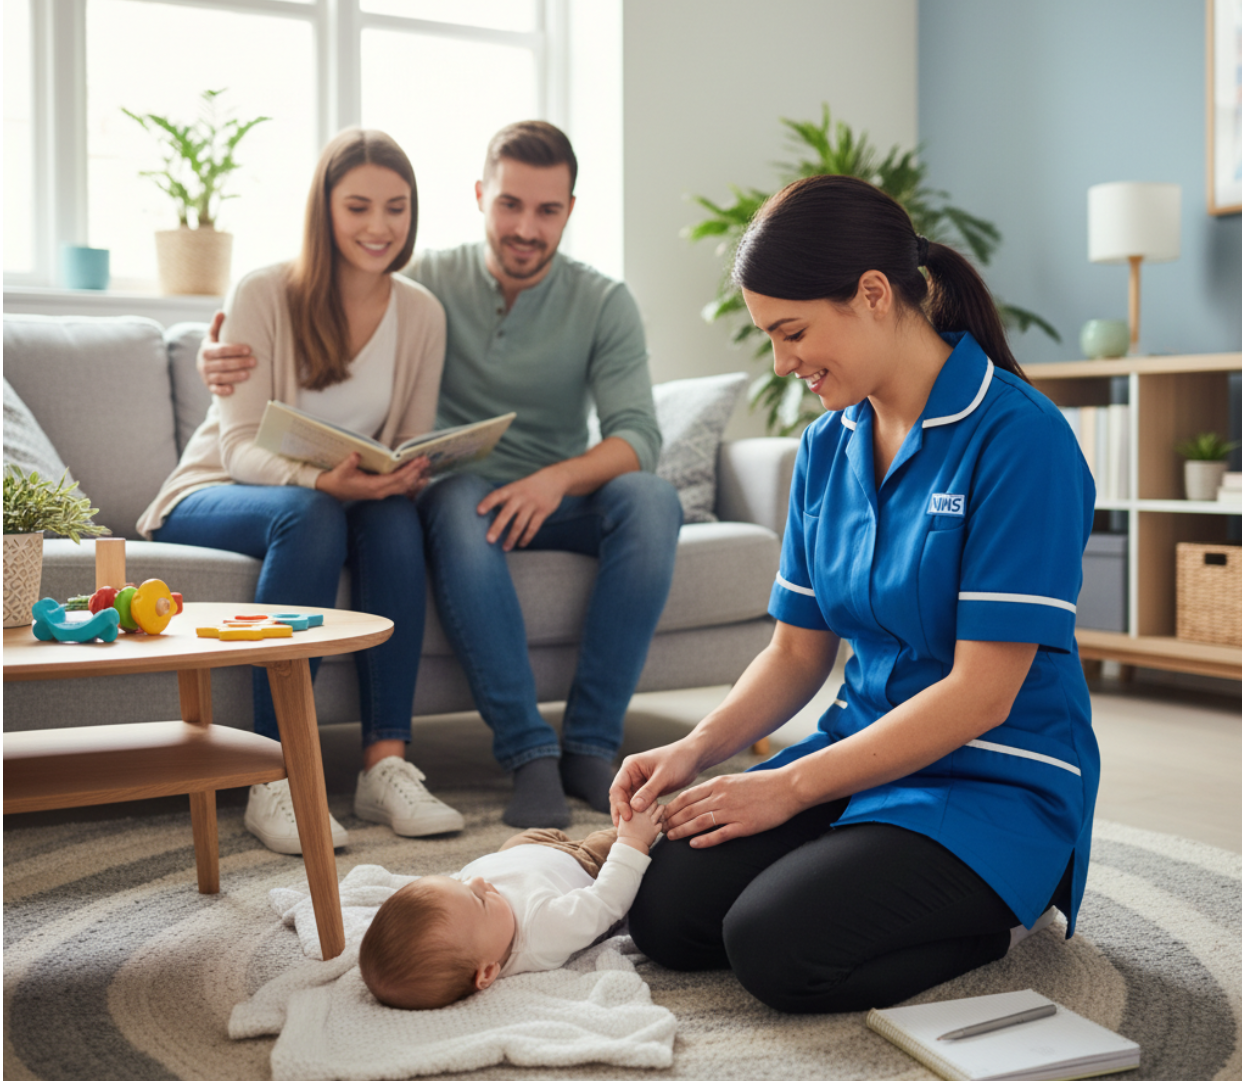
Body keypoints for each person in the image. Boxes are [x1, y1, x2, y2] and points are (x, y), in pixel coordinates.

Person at [609, 174, 1100, 1014]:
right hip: (862, 753)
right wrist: (696, 749)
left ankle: (1000, 915)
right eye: (768, 335)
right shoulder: (826, 447)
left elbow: (983, 694)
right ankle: (859, 865)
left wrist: (789, 787)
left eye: (792, 331)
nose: (781, 361)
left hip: (993, 779)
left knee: (775, 949)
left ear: (874, 294)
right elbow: (798, 651)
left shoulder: (1021, 440)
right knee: (666, 913)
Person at [197, 121, 684, 832]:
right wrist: (214, 357)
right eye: (510, 204)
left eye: (547, 211)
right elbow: (330, 291)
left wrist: (555, 480)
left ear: (570, 211)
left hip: (557, 494)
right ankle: (529, 754)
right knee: (454, 505)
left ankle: (590, 743)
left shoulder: (603, 302)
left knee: (652, 498)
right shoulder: (419, 281)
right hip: (460, 490)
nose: (526, 227)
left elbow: (639, 433)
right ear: (481, 195)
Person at [137, 128, 465, 856]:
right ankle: (274, 773)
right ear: (324, 210)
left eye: (396, 208)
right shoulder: (263, 291)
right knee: (316, 514)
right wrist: (323, 479)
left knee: (393, 522)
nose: (379, 226)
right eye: (358, 207)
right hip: (219, 491)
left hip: (334, 496)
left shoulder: (422, 314)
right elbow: (236, 445)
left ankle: (385, 765)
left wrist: (402, 474)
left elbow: (406, 439)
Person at [359, 802, 666, 1010]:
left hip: (527, 851)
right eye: (479, 901)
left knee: (517, 843)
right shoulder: (544, 931)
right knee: (635, 830)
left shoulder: (469, 922)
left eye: (461, 884)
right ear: (488, 973)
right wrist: (633, 842)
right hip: (586, 862)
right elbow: (608, 899)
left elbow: (450, 903)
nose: (478, 881)